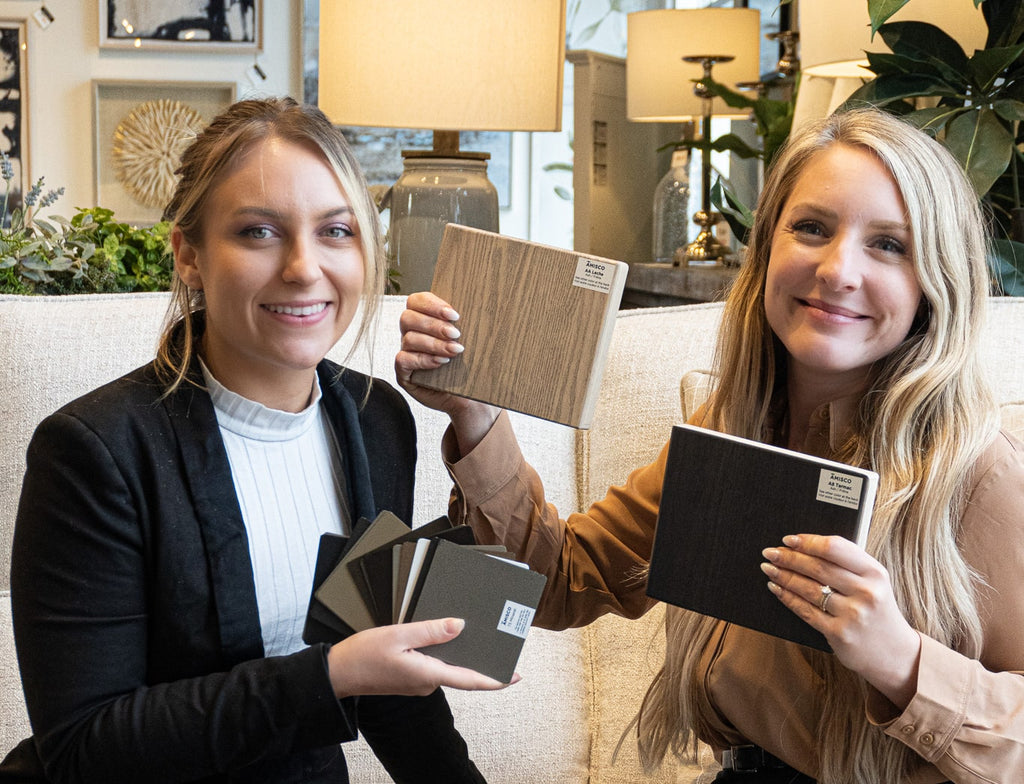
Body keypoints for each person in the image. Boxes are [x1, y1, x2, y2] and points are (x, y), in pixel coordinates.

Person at [395, 108, 1024, 784]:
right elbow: (559, 585)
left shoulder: (978, 474)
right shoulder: (727, 431)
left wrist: (899, 658)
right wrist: (476, 415)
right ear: (767, 250)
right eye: (811, 228)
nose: (839, 269)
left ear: (937, 282)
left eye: (890, 245)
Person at [4, 97, 506, 784]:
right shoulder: (94, 453)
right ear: (188, 254)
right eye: (259, 232)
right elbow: (85, 747)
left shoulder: (375, 419)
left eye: (336, 231)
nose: (304, 267)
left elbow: (394, 681)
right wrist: (331, 675)